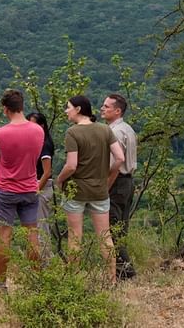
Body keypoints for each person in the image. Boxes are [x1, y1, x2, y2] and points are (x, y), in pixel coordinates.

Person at [56, 95, 124, 284]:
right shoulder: (104, 130)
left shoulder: (72, 133)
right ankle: (112, 280)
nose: (66, 111)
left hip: (76, 190)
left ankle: (74, 280)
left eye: (68, 107)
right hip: (99, 190)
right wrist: (107, 178)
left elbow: (71, 165)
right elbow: (119, 158)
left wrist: (59, 181)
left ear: (78, 109)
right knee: (105, 236)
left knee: (75, 237)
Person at [0, 90, 44, 291]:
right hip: (30, 188)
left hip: (5, 189)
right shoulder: (38, 130)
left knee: (4, 236)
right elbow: (37, 155)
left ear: (6, 109)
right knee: (32, 235)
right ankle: (37, 281)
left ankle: (1, 283)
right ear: (21, 106)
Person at [101, 93, 138, 280]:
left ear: (117, 111)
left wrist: (106, 186)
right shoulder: (128, 129)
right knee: (121, 227)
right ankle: (122, 271)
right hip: (128, 181)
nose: (102, 108)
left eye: (106, 106)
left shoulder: (114, 132)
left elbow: (116, 162)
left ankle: (125, 272)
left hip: (117, 181)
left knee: (113, 228)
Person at [26, 111, 55, 260]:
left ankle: (45, 264)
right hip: (37, 187)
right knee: (35, 228)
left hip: (42, 188)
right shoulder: (38, 141)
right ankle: (37, 263)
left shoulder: (44, 144)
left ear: (41, 126)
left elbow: (47, 171)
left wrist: (36, 190)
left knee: (40, 229)